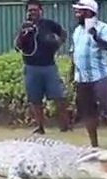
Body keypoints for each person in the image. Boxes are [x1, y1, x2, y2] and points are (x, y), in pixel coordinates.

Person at [68, 0, 107, 149]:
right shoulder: (77, 31)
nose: (77, 13)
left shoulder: (103, 28)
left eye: (80, 10)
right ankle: (94, 146)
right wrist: (71, 74)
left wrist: (96, 37)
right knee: (88, 112)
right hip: (82, 79)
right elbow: (74, 53)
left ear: (89, 12)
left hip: (100, 77)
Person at [15, 0, 71, 135]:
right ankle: (40, 127)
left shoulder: (48, 24)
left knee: (58, 97)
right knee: (35, 100)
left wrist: (57, 43)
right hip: (31, 67)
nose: (32, 13)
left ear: (40, 11)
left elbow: (63, 33)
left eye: (35, 10)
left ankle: (64, 125)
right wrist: (24, 34)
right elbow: (17, 46)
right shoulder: (24, 27)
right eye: (30, 10)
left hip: (49, 66)